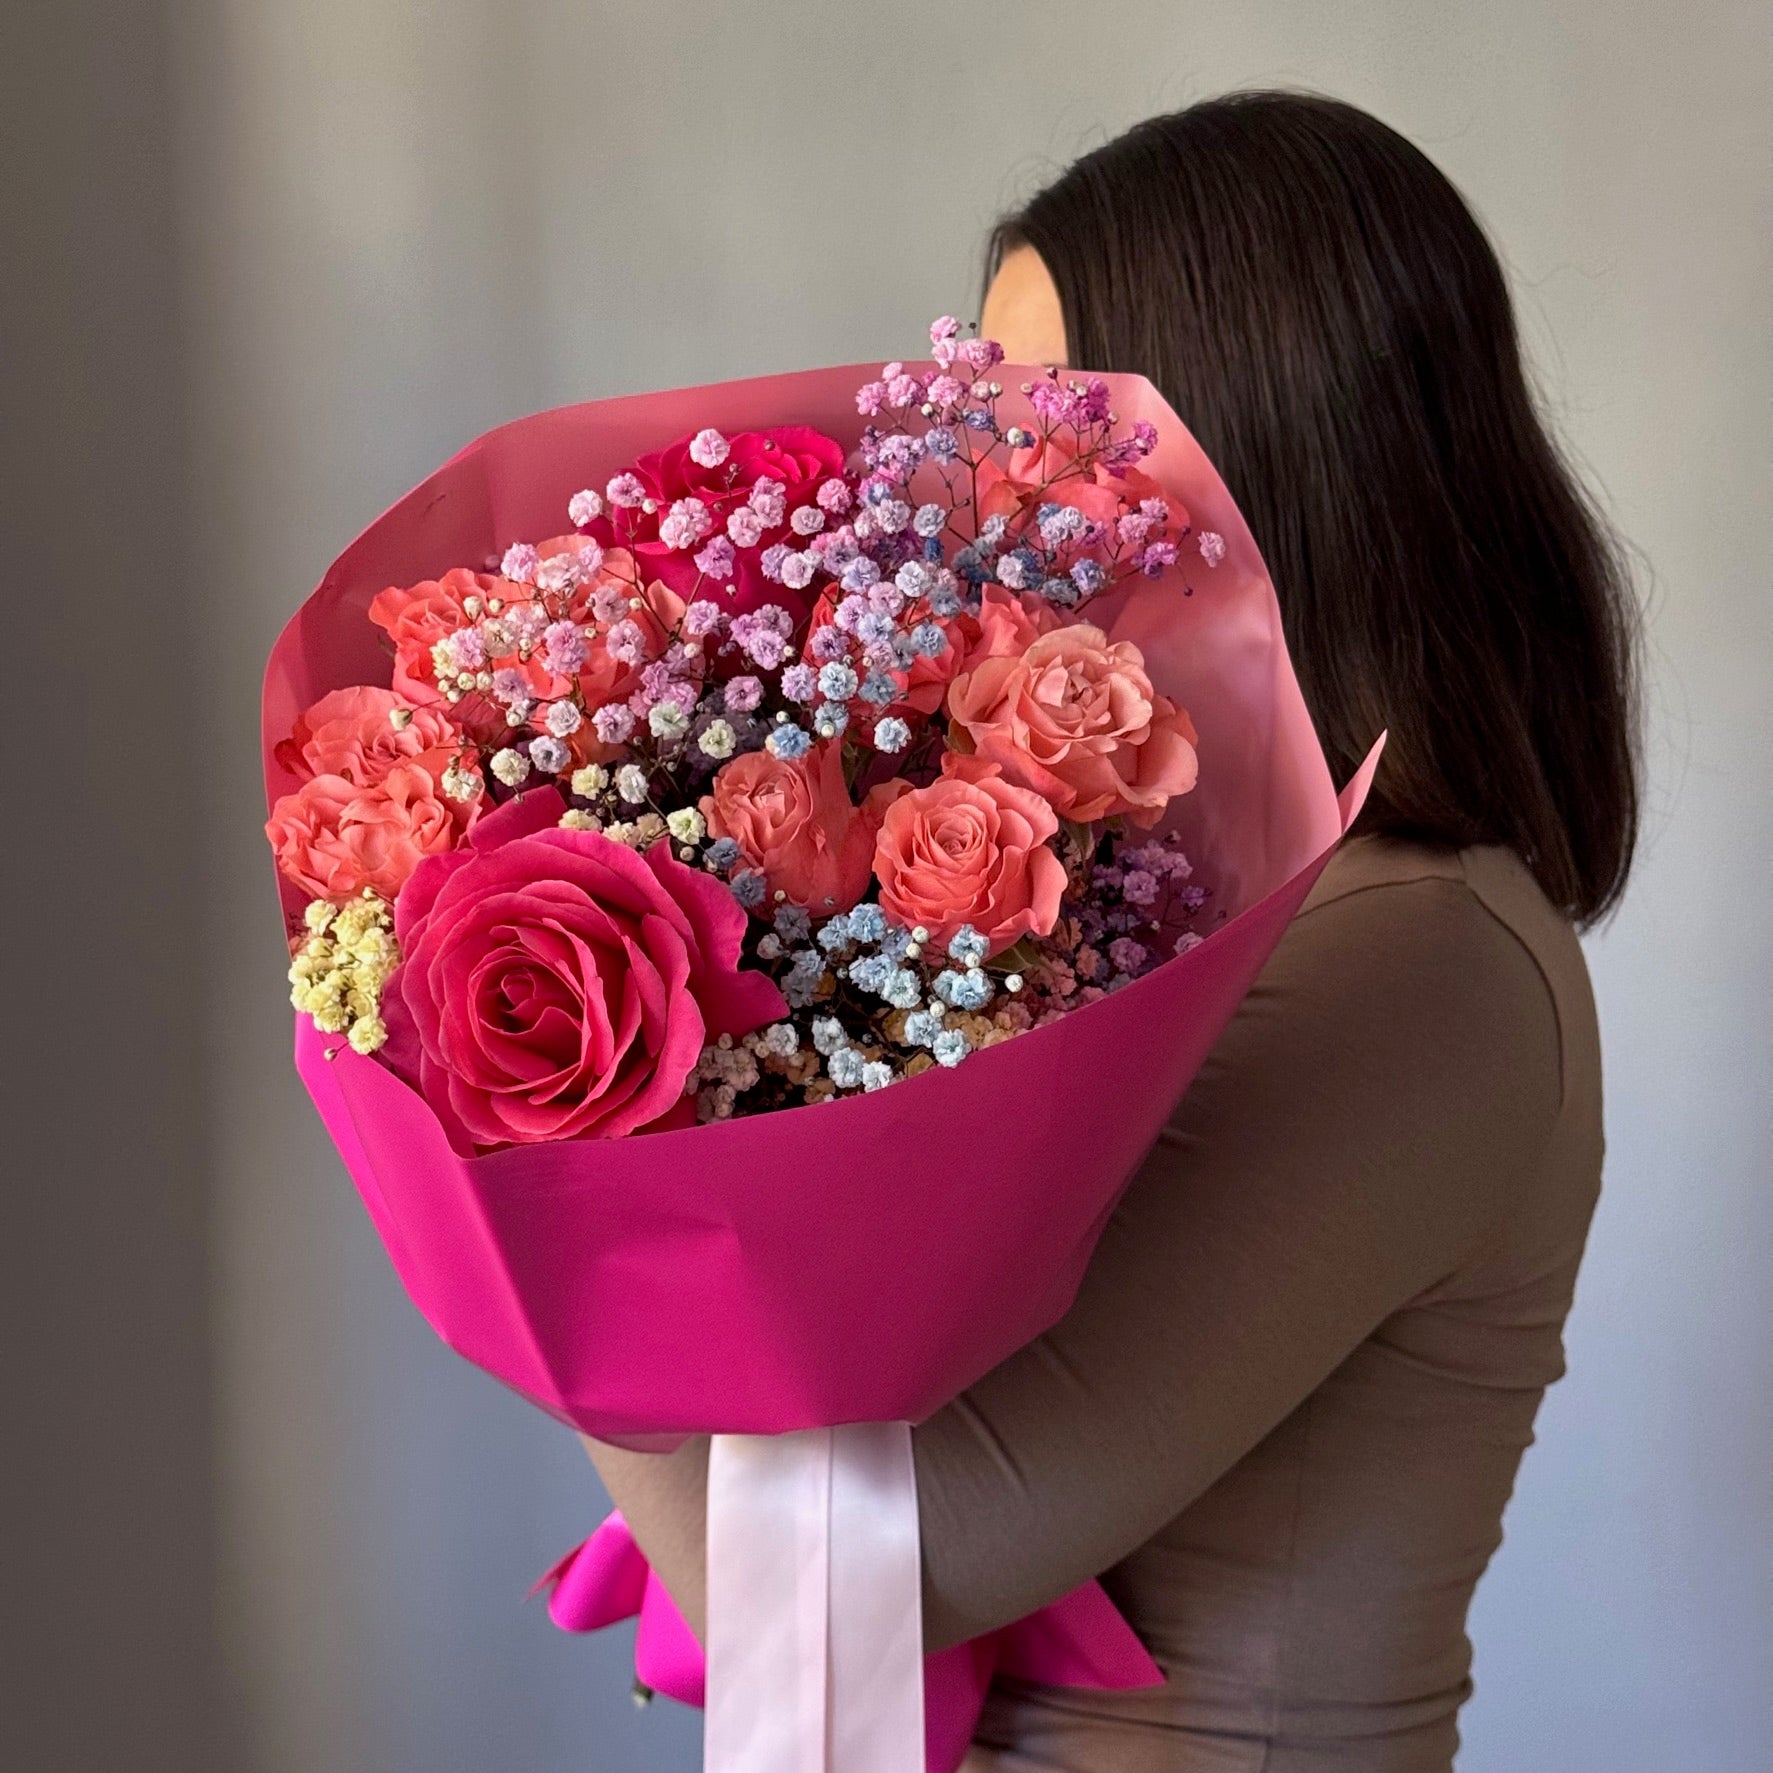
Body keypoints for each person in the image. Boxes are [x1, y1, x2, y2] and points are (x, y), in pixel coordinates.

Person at [586, 91, 1641, 1772]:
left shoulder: (1418, 958)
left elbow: (889, 1560)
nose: (985, 487)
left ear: (1269, 444)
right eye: (985, 421)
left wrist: (558, 1140)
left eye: (1051, 428)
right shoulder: (1176, 916)